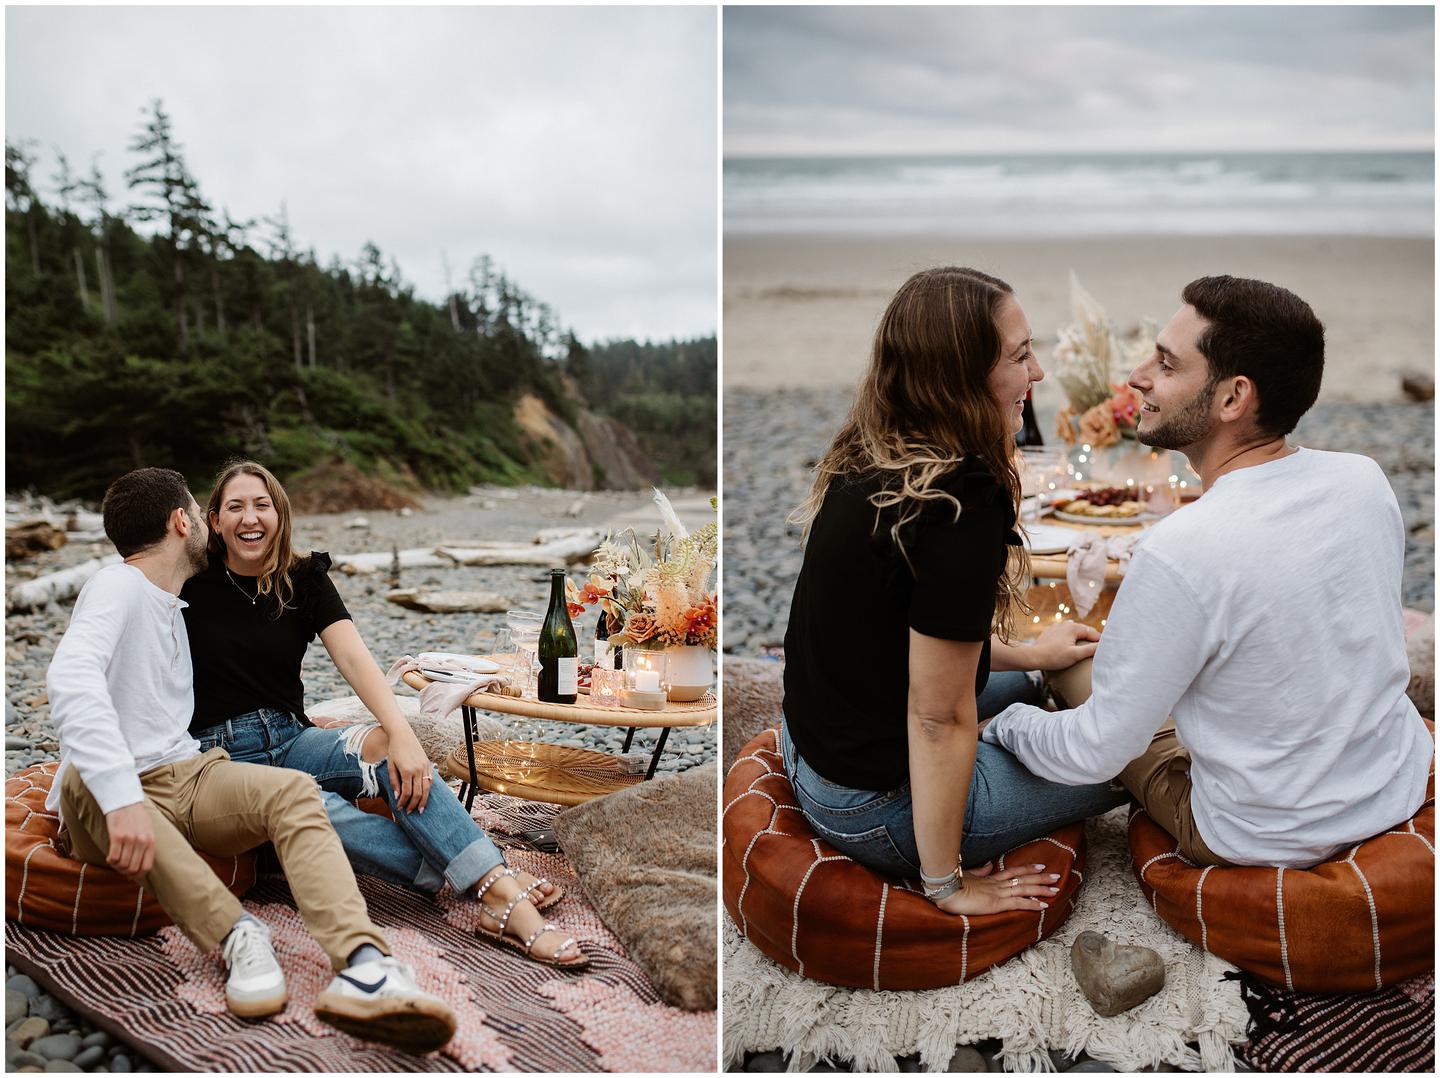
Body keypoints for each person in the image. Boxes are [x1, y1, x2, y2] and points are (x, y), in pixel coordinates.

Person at [983, 275, 1431, 868]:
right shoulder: (1364, 479)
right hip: (1390, 783)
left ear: (1231, 398)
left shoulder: (1182, 548)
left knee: (1075, 669)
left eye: (1166, 364)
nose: (1137, 377)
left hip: (1261, 833)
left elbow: (1094, 753)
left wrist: (1006, 726)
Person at [46, 468, 456, 1052]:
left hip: (185, 771)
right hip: (107, 791)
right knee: (90, 778)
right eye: (199, 508)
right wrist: (122, 797)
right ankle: (240, 934)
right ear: (182, 521)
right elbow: (70, 676)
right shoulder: (119, 587)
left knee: (290, 792)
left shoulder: (172, 600)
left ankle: (365, 964)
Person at [780, 266, 1129, 916]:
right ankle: (943, 854)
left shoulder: (874, 451)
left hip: (810, 746)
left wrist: (1033, 655)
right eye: (1022, 356)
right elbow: (938, 719)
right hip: (871, 806)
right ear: (962, 375)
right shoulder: (959, 501)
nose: (1040, 375)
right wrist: (948, 884)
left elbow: (907, 635)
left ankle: (1019, 710)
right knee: (1127, 754)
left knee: (1043, 682)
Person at [180, 459, 585, 968]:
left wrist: (401, 733)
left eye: (262, 505)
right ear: (214, 521)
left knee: (385, 747)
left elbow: (354, 658)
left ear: (280, 514)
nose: (250, 518)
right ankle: (495, 883)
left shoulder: (302, 578)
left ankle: (489, 882)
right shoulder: (191, 586)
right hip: (226, 759)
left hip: (290, 738)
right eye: (235, 507)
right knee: (310, 805)